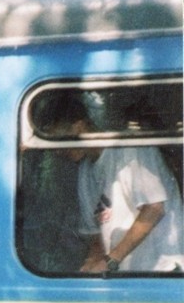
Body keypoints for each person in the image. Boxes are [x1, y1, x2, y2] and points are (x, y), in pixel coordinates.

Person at [36, 93, 182, 273]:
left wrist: (111, 261)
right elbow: (96, 234)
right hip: (127, 277)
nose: (57, 151)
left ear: (79, 127)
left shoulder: (129, 148)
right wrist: (91, 263)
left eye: (59, 140)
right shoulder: (86, 171)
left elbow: (154, 209)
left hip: (164, 271)